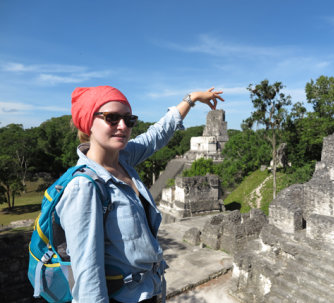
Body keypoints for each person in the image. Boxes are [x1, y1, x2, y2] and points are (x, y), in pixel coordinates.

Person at [55, 85, 224, 303]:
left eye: (129, 119)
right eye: (112, 118)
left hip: (149, 290)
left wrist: (191, 98)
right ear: (88, 122)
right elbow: (88, 278)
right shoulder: (84, 187)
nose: (123, 126)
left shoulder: (122, 159)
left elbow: (158, 134)